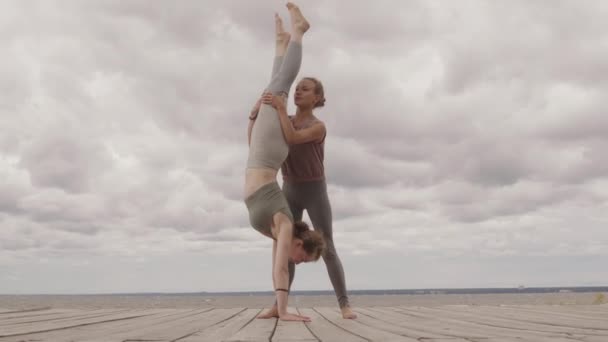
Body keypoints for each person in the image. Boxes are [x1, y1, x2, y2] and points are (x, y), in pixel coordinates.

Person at [244, 3, 324, 322]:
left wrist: (251, 117)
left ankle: (281, 44)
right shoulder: (286, 223)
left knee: (275, 84)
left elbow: (251, 151)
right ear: (301, 243)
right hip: (269, 155)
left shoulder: (280, 232)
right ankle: (299, 33)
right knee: (281, 85)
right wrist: (285, 310)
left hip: (260, 152)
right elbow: (281, 269)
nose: (297, 262)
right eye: (302, 259)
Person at [252, 78, 357, 319]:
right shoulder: (284, 120)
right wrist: (258, 111)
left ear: (318, 99)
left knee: (327, 245)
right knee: (284, 245)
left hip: (314, 190)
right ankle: (279, 306)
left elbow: (292, 138)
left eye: (305, 89)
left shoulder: (318, 126)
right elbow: (263, 136)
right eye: (297, 88)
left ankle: (344, 304)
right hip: (289, 188)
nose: (298, 91)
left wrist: (279, 108)